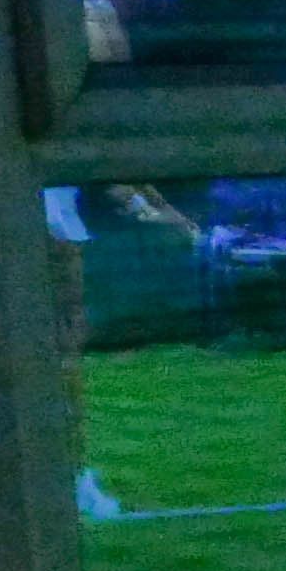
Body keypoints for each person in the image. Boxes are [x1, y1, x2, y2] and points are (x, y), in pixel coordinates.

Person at [46, 180, 196, 521]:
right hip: (52, 240)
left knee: (63, 364)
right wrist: (157, 212)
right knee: (63, 363)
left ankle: (73, 480)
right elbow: (118, 182)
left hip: (56, 236)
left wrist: (156, 210)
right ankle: (74, 483)